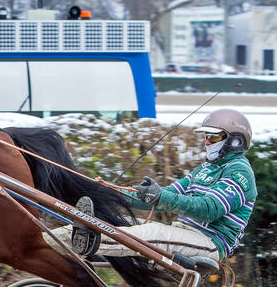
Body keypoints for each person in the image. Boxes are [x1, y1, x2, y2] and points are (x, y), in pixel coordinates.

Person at [51, 108, 257, 263]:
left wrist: (160, 197)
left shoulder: (239, 172)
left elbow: (209, 209)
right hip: (184, 232)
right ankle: (44, 240)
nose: (207, 142)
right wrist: (109, 193)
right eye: (206, 137)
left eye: (213, 137)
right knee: (124, 223)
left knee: (152, 233)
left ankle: (89, 240)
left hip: (210, 242)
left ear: (235, 141)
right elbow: (169, 194)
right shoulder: (205, 169)